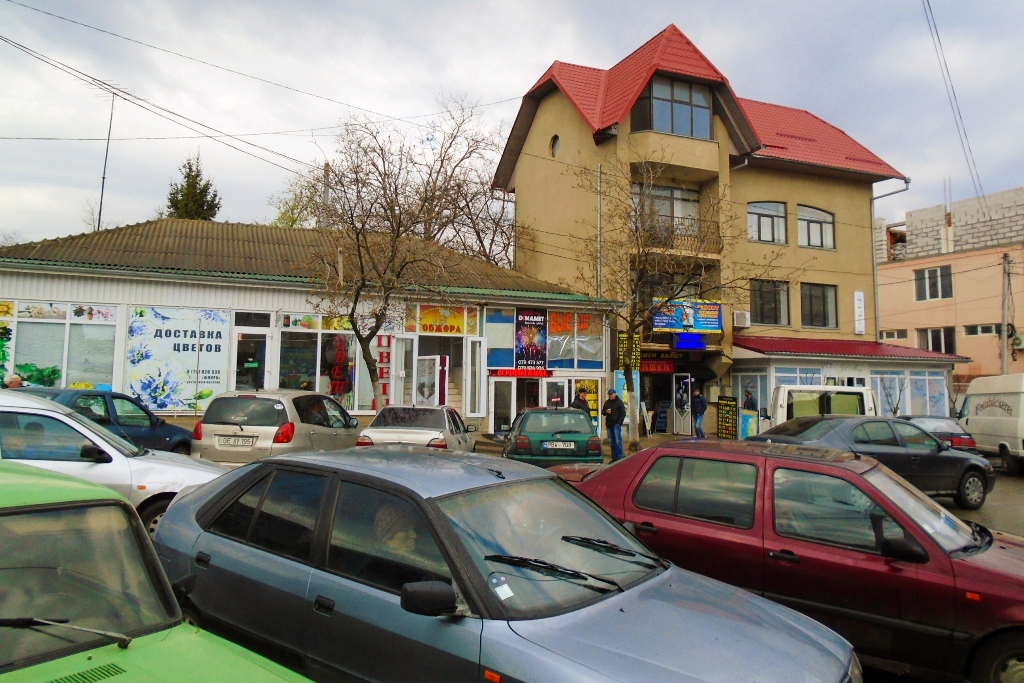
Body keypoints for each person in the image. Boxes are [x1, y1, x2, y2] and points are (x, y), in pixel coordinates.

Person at [602, 388, 626, 461]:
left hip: (616, 424)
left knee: (618, 441)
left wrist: (619, 423)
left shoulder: (619, 402)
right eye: (609, 394)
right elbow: (603, 412)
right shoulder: (607, 402)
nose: (610, 396)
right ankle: (614, 457)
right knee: (612, 441)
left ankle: (620, 457)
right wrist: (606, 412)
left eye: (611, 394)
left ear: (615, 394)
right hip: (609, 424)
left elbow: (623, 413)